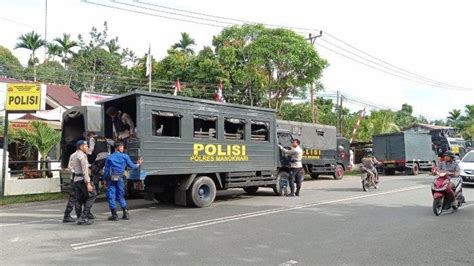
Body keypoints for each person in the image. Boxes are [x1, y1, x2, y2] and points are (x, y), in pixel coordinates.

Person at [104, 142, 143, 221]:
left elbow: (106, 171)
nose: (122, 148)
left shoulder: (109, 157)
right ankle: (125, 214)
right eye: (121, 147)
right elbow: (132, 166)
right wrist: (138, 164)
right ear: (117, 147)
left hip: (111, 179)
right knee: (120, 195)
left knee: (111, 196)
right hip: (120, 179)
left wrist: (105, 180)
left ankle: (114, 215)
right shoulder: (125, 156)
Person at [69, 140, 96, 225]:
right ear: (81, 147)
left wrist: (76, 171)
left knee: (79, 199)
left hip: (76, 179)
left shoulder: (73, 155)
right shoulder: (82, 156)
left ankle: (79, 217)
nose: (87, 147)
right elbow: (85, 170)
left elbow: (70, 166)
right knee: (92, 195)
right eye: (86, 146)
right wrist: (88, 183)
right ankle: (84, 216)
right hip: (82, 180)